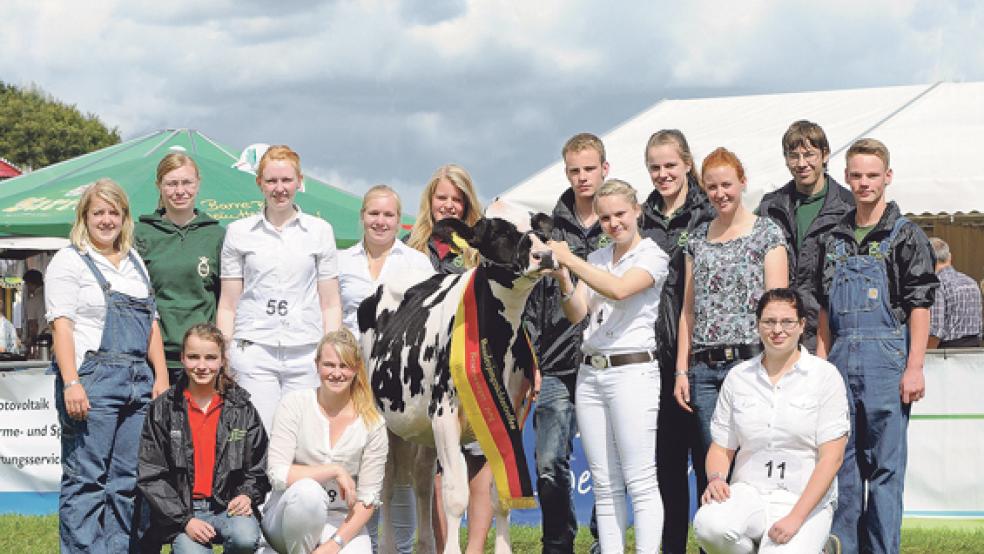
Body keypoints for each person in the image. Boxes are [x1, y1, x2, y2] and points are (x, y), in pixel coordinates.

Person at [816, 138, 939, 554]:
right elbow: (821, 311)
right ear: (846, 177)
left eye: (872, 175)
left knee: (885, 468)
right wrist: (820, 365)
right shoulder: (833, 238)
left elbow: (919, 304)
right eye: (856, 175)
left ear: (887, 176)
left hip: (887, 363)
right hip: (838, 359)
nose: (864, 183)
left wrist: (915, 366)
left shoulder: (905, 235)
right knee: (841, 465)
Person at [46, 178, 169, 552]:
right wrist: (71, 383)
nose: (106, 219)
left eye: (113, 211)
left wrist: (160, 377)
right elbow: (61, 326)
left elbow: (151, 324)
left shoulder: (134, 262)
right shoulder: (69, 260)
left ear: (124, 217)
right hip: (93, 380)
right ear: (85, 216)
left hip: (138, 379)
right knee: (87, 479)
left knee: (126, 481)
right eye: (98, 212)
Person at [548, 179, 670, 553]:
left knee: (641, 479)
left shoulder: (653, 254)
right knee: (604, 482)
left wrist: (570, 259)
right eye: (605, 218)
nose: (614, 223)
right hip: (591, 370)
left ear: (638, 211)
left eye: (620, 214)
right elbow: (577, 313)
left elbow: (619, 290)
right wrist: (563, 277)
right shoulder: (598, 258)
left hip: (632, 370)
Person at [693, 288, 849, 553]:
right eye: (769, 322)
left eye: (787, 322)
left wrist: (796, 518)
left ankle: (818, 544)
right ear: (758, 325)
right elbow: (721, 447)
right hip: (748, 492)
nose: (778, 329)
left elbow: (831, 458)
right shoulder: (738, 377)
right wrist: (717, 478)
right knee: (709, 526)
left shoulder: (825, 376)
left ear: (801, 326)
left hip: (802, 498)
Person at [674, 147, 789, 501]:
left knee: (752, 464)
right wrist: (682, 370)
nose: (720, 194)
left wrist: (775, 367)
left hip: (751, 364)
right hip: (705, 370)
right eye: (712, 187)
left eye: (727, 184)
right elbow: (688, 310)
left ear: (742, 182)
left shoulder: (767, 233)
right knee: (715, 470)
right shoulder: (697, 240)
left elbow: (778, 307)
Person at [522, 132, 609, 554]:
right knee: (549, 464)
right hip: (555, 362)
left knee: (604, 462)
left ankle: (602, 542)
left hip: (606, 359)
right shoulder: (547, 229)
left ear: (604, 169)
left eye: (589, 168)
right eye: (575, 170)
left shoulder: (621, 220)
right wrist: (532, 361)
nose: (582, 177)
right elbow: (532, 300)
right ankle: (558, 541)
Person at [217, 145, 342, 432]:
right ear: (259, 183)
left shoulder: (320, 230)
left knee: (303, 437)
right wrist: (226, 352)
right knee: (259, 436)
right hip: (254, 349)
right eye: (272, 181)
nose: (279, 188)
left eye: (286, 181)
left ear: (299, 181)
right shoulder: (238, 232)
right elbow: (228, 304)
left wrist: (332, 351)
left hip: (306, 351)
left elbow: (331, 303)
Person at [338, 184, 432, 553]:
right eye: (374, 214)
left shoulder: (417, 263)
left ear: (399, 219)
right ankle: (365, 545)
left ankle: (401, 549)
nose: (380, 221)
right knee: (362, 471)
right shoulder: (339, 260)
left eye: (388, 215)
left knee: (401, 472)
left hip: (400, 381)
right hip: (351, 378)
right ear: (362, 216)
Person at [407, 163, 495, 553]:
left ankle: (474, 548)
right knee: (434, 462)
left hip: (474, 363)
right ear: (430, 200)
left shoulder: (483, 247)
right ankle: (443, 547)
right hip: (426, 371)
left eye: (456, 199)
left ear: (467, 203)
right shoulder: (412, 247)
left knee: (477, 462)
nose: (448, 205)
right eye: (442, 197)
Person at [640, 129, 715, 554]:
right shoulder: (640, 218)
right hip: (652, 363)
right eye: (655, 166)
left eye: (671, 165)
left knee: (710, 468)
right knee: (665, 471)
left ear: (688, 163)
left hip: (699, 360)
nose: (663, 174)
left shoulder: (709, 214)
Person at [138, 323, 270, 553]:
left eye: (210, 358)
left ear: (222, 361)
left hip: (227, 508)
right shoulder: (162, 409)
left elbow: (259, 465)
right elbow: (151, 474)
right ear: (181, 358)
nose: (201, 366)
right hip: (183, 512)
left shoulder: (242, 408)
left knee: (245, 537)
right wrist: (184, 520)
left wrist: (247, 495)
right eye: (193, 357)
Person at [262, 328, 388, 554]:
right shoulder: (294, 404)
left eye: (345, 365)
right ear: (317, 364)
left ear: (357, 369)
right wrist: (334, 470)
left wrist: (333, 546)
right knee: (308, 493)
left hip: (340, 520)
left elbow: (368, 500)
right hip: (288, 514)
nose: (336, 373)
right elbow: (278, 474)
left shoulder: (373, 423)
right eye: (329, 364)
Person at [757, 120, 855, 352]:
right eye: (794, 156)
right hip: (781, 331)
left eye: (809, 154)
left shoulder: (849, 207)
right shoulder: (770, 207)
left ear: (825, 155)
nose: (802, 163)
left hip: (832, 330)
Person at [136, 153, 226, 383]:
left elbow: (226, 300)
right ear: (159, 186)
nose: (179, 191)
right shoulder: (140, 234)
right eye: (171, 184)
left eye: (186, 182)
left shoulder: (216, 235)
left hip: (202, 361)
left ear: (198, 184)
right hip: (155, 359)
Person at [927, 237, 982, 348]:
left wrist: (925, 356)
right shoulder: (971, 282)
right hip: (975, 351)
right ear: (950, 257)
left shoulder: (937, 285)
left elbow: (935, 331)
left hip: (947, 354)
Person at [20, 268, 45, 347]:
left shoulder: (32, 302)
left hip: (43, 340)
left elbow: (33, 328)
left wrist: (29, 343)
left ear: (31, 284)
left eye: (27, 284)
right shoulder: (50, 296)